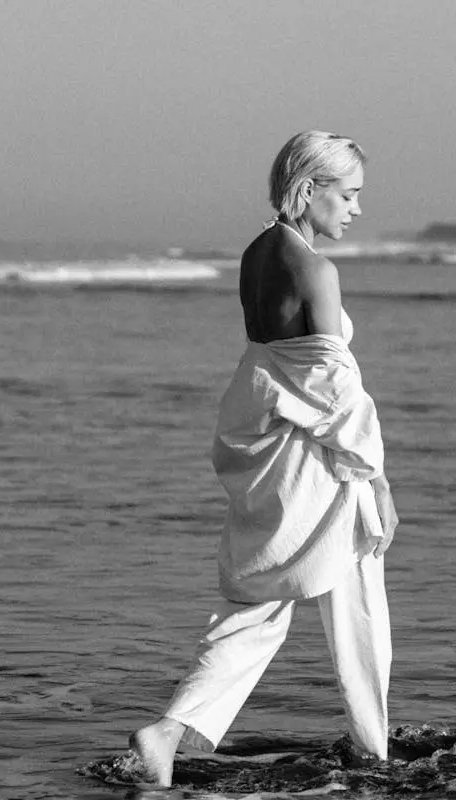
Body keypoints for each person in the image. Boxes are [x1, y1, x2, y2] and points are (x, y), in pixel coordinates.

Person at [129, 130, 399, 787]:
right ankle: (371, 752)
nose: (358, 210)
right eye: (349, 194)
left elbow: (274, 365)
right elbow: (335, 394)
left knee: (270, 601)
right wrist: (379, 478)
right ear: (309, 190)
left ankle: (172, 732)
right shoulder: (316, 270)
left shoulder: (257, 254)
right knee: (350, 596)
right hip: (319, 457)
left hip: (273, 445)